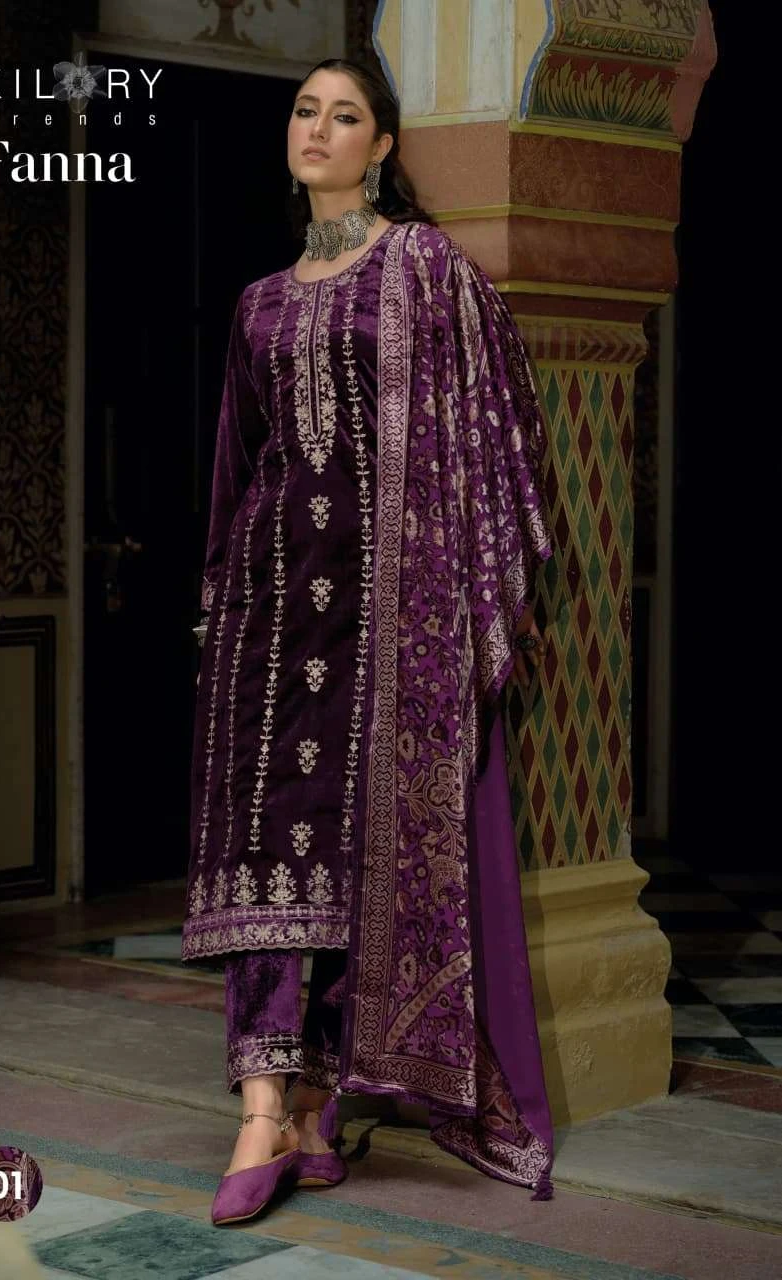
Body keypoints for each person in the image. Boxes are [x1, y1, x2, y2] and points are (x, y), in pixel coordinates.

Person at [181, 56, 556, 1226]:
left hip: (388, 622)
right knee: (266, 857)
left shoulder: (428, 270)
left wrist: (461, 583)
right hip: (269, 613)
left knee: (359, 861)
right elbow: (236, 468)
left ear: (383, 145)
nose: (319, 129)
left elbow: (503, 421)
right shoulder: (258, 303)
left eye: (345, 115)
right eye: (305, 110)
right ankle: (261, 1100)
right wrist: (220, 599)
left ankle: (313, 1106)